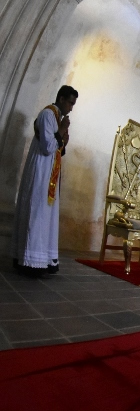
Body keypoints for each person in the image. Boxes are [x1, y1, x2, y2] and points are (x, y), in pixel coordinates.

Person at [12, 85, 77, 276]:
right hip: (40, 170)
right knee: (37, 212)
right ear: (62, 99)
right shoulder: (48, 114)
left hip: (49, 173)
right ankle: (30, 260)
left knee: (44, 215)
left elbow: (56, 149)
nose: (71, 108)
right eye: (70, 103)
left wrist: (63, 140)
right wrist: (62, 130)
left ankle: (39, 259)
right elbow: (47, 147)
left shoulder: (56, 117)